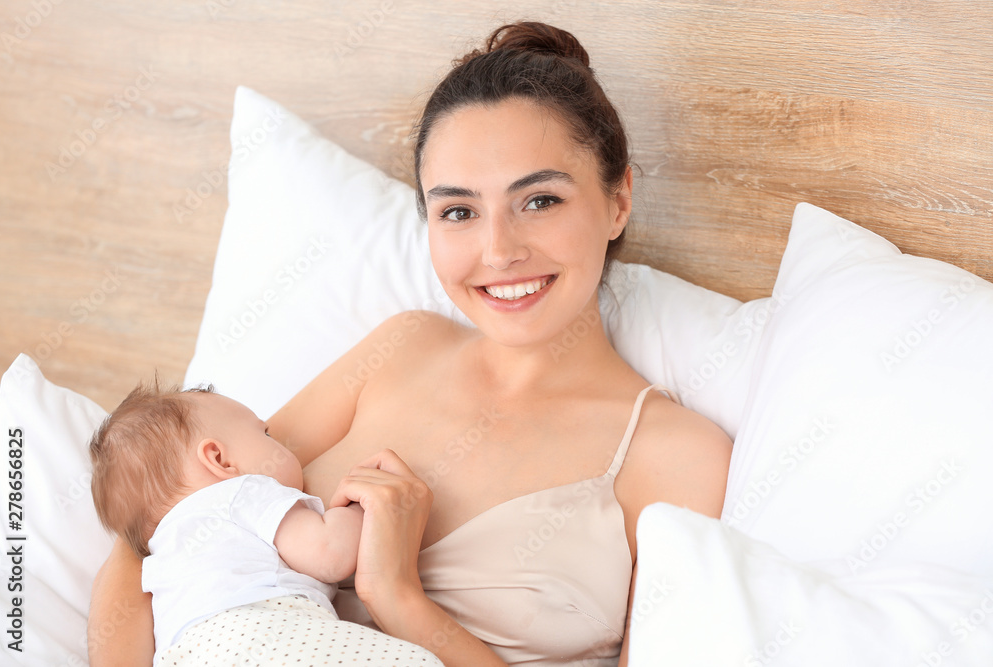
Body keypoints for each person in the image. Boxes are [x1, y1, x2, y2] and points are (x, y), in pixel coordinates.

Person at [89, 21, 732, 667]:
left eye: (539, 200)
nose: (499, 251)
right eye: (458, 211)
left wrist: (399, 596)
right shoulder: (402, 347)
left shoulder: (678, 458)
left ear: (617, 200)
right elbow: (162, 522)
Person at [89, 382, 442, 666]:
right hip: (261, 636)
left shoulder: (160, 551)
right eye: (267, 435)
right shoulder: (242, 491)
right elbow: (330, 553)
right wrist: (362, 503)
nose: (279, 442)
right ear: (219, 459)